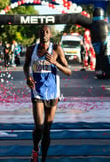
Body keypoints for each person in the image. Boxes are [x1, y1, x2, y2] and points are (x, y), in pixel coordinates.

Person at [23, 25, 72, 162]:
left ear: (50, 35)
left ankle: (43, 159)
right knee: (39, 127)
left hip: (52, 92)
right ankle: (35, 149)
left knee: (47, 129)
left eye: (47, 32)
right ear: (38, 34)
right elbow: (26, 65)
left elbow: (69, 72)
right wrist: (28, 77)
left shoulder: (56, 49)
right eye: (42, 32)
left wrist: (55, 62)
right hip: (37, 92)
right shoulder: (31, 49)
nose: (44, 34)